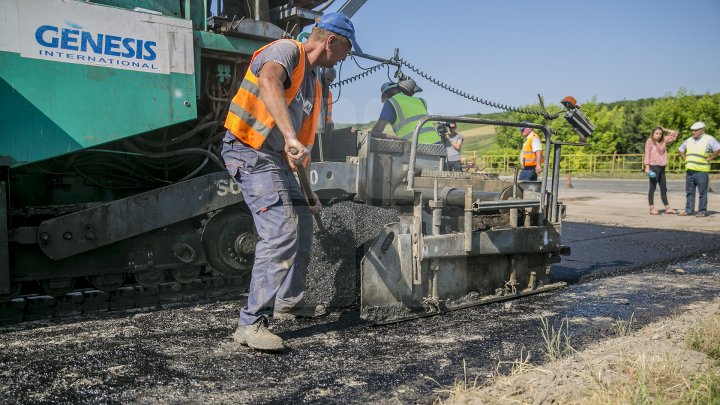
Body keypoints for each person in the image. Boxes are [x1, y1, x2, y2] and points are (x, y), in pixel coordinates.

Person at [221, 12, 359, 352]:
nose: (345, 57)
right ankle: (251, 324)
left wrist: (310, 197)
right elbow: (269, 81)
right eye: (346, 50)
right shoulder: (287, 51)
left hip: (278, 160)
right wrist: (288, 137)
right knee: (281, 229)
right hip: (250, 150)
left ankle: (287, 301)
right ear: (331, 42)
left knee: (303, 222)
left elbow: (300, 153)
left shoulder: (312, 84)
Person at [369, 78, 436, 143]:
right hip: (438, 143)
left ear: (385, 95)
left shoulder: (391, 102)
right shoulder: (421, 101)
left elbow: (375, 133)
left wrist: (398, 139)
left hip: (415, 146)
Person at [677, 121, 720, 217]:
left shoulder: (709, 139)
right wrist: (686, 160)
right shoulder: (689, 140)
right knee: (689, 192)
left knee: (702, 193)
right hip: (690, 171)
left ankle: (702, 211)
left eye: (696, 131)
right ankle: (689, 210)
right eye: (692, 131)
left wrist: (710, 158)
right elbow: (680, 150)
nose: (693, 133)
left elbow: (718, 148)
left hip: (702, 171)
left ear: (702, 130)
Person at [643, 126, 679, 215]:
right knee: (653, 188)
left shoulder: (663, 141)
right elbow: (647, 154)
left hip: (662, 168)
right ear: (653, 133)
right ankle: (652, 208)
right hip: (653, 167)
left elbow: (675, 134)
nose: (658, 135)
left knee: (664, 188)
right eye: (657, 133)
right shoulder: (650, 141)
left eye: (660, 133)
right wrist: (647, 167)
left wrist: (665, 129)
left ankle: (667, 208)